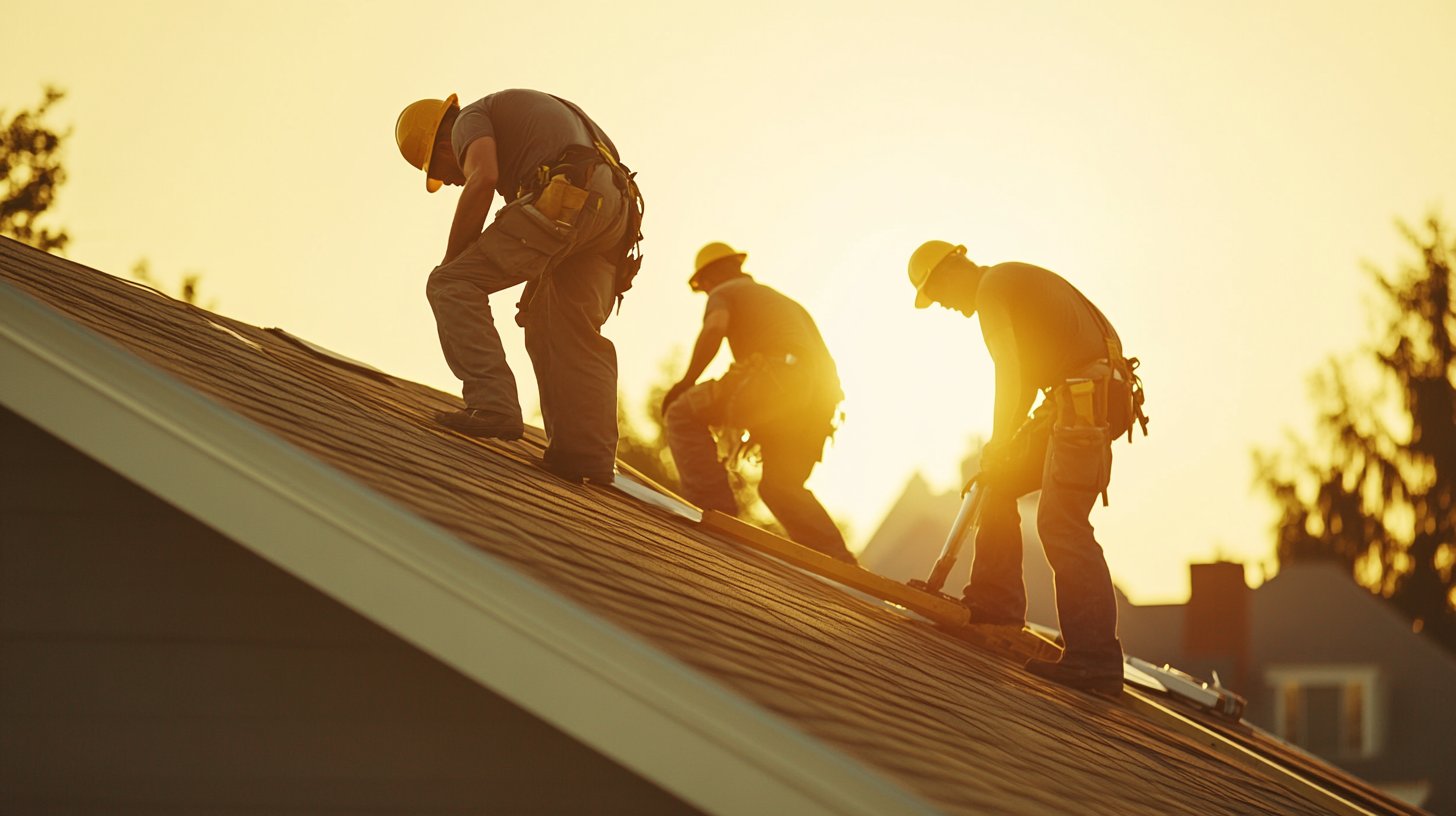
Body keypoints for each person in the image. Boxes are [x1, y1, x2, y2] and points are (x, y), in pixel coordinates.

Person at [907, 240, 1145, 696]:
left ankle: (1094, 658)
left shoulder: (992, 289)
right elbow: (1028, 387)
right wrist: (1001, 453)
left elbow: (1009, 374)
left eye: (939, 295)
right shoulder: (1015, 287)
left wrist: (997, 442)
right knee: (999, 479)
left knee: (1061, 521)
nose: (947, 308)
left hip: (1086, 400)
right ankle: (996, 601)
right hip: (1083, 397)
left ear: (953, 269)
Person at [394, 89, 642, 484]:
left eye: (441, 170)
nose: (451, 181)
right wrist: (535, 280)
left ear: (444, 144)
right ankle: (585, 456)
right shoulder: (530, 117)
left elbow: (483, 178)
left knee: (450, 283)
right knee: (559, 322)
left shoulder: (468, 121)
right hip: (614, 212)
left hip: (570, 193)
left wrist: (453, 262)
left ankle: (492, 405)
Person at [662, 242, 856, 564]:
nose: (707, 291)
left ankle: (717, 514)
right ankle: (839, 562)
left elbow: (714, 329)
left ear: (710, 278)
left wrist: (684, 383)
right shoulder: (782, 302)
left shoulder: (724, 293)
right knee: (780, 486)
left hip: (777, 380)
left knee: (682, 412)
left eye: (705, 286)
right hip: (818, 404)